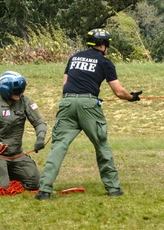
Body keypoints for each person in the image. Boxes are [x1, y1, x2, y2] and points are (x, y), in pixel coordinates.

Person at [35, 28, 142, 200]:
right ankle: (113, 188)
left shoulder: (74, 57)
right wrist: (132, 97)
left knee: (59, 146)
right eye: (107, 44)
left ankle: (44, 190)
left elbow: (65, 84)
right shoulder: (105, 62)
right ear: (102, 44)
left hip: (67, 102)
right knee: (101, 145)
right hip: (89, 105)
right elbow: (118, 92)